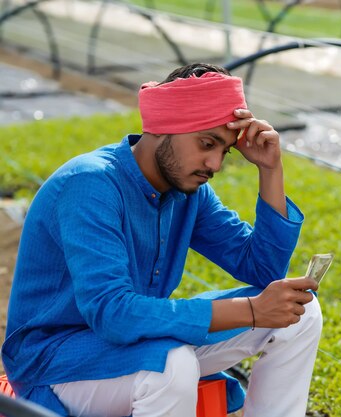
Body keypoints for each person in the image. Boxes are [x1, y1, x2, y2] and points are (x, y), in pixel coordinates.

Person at [2, 63, 323, 417]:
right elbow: (112, 313)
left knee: (300, 311)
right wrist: (250, 310)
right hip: (56, 361)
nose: (214, 163)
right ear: (165, 125)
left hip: (142, 340)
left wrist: (270, 169)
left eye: (225, 151)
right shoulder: (90, 184)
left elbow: (262, 268)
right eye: (207, 143)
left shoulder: (190, 193)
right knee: (172, 367)